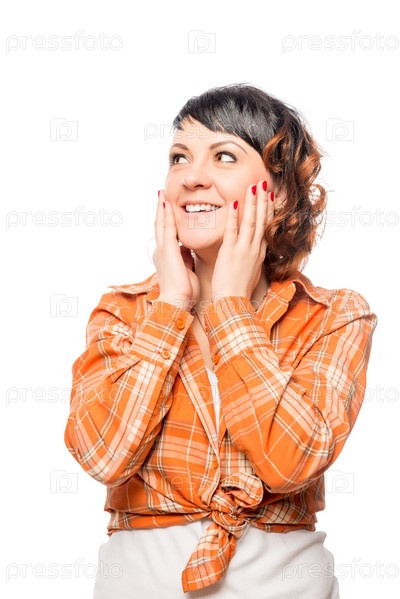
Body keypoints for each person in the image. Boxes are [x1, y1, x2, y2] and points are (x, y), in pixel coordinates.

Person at [64, 84, 377, 598]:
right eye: (179, 157)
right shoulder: (123, 312)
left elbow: (292, 462)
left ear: (277, 192)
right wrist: (171, 305)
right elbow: (104, 456)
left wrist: (231, 307)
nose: (191, 177)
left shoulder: (333, 316)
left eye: (224, 156)